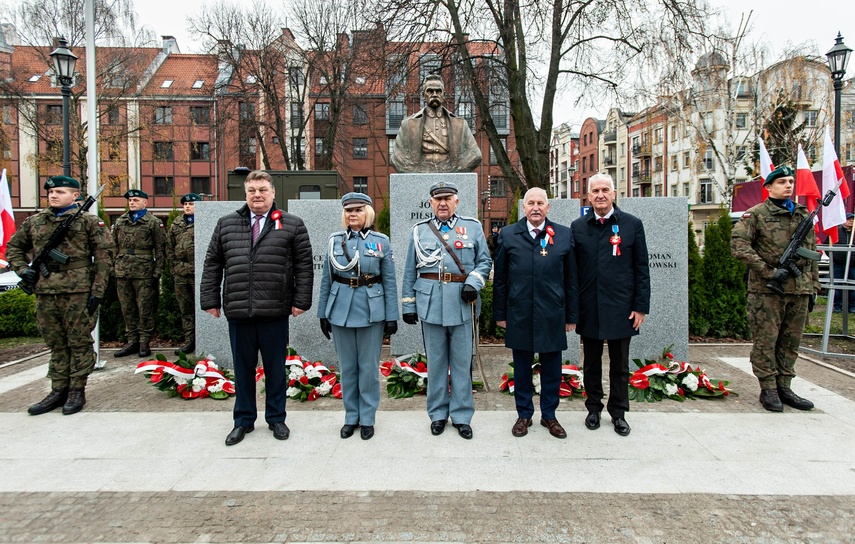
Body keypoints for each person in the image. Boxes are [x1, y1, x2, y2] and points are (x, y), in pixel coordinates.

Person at [200, 170, 313, 446]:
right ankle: (243, 421)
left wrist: (301, 301)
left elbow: (304, 266)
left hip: (274, 310)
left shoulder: (291, 224)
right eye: (251, 190)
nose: (257, 195)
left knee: (275, 369)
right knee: (242, 369)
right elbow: (213, 263)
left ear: (273, 193)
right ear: (245, 193)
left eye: (262, 189)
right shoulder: (226, 224)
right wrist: (210, 299)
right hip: (239, 310)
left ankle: (276, 418)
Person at [7, 175, 114, 415]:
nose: (54, 195)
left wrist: (97, 291)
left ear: (75, 196)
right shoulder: (35, 222)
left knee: (78, 341)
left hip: (78, 290)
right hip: (45, 291)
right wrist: (23, 270)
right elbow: (14, 247)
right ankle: (58, 389)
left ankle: (77, 389)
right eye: (51, 192)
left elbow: (105, 258)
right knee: (56, 342)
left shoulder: (88, 222)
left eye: (60, 192)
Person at [401, 181, 492, 439]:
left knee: (462, 364)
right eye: (437, 199)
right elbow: (410, 269)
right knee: (437, 363)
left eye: (448, 198)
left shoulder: (472, 228)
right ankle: (438, 414)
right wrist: (408, 304)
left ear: (456, 201)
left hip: (463, 303)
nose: (442, 203)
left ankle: (462, 416)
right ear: (431, 203)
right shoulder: (420, 231)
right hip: (430, 304)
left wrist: (474, 282)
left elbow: (485, 261)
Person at [493, 188, 578, 439]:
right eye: (531, 203)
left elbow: (572, 279)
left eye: (541, 203)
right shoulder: (508, 235)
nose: (536, 207)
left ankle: (549, 415)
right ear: (524, 207)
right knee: (521, 367)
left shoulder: (563, 235)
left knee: (552, 367)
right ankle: (524, 414)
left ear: (548, 208)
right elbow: (500, 279)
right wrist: (500, 314)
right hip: (519, 312)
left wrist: (571, 315)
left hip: (553, 312)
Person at [731, 165, 816, 412]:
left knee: (790, 342)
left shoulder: (803, 215)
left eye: (790, 181)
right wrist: (769, 271)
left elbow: (811, 256)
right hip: (767, 291)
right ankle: (768, 388)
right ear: (768, 187)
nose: (788, 185)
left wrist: (812, 287)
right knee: (766, 341)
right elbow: (739, 247)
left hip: (799, 290)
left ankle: (785, 386)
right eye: (781, 182)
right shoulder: (755, 215)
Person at [571, 173, 649, 437]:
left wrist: (641, 306)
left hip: (621, 306)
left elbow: (641, 268)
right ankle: (593, 408)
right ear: (589, 195)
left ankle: (619, 412)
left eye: (605, 189)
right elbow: (572, 272)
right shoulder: (578, 227)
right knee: (591, 363)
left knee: (620, 364)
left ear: (614, 193)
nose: (600, 195)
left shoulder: (632, 224)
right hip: (589, 306)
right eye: (595, 191)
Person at [318, 193, 398, 440]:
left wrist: (391, 315)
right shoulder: (334, 241)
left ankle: (368, 417)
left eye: (358, 210)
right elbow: (326, 280)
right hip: (340, 309)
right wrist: (323, 313)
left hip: (371, 311)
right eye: (349, 211)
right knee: (348, 367)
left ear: (368, 213)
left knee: (368, 368)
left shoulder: (380, 241)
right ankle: (351, 416)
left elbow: (389, 281)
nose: (353, 214)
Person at [390, 74, 482, 173]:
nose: (434, 94)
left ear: (443, 95)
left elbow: (475, 155)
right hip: (419, 170)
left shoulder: (460, 125)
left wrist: (458, 167)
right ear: (423, 95)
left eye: (438, 91)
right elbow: (396, 158)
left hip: (451, 170)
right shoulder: (408, 124)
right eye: (430, 91)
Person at [112, 189, 166, 358]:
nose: (132, 203)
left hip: (144, 271)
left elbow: (161, 249)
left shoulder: (153, 223)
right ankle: (132, 341)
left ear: (145, 202)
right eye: (130, 200)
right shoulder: (121, 222)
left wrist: (157, 271)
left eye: (136, 200)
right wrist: (114, 266)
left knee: (144, 308)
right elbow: (113, 245)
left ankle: (144, 341)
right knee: (127, 308)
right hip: (123, 270)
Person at [167, 193, 202, 355]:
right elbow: (169, 247)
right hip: (181, 272)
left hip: (198, 271)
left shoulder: (204, 221)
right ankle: (189, 340)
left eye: (191, 204)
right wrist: (173, 267)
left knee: (201, 308)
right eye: (186, 204)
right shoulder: (176, 224)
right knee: (185, 309)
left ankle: (203, 339)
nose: (188, 206)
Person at [831, 213, 855, 313]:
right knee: (836, 286)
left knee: (853, 287)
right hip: (838, 264)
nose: (851, 221)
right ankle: (837, 305)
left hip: (854, 265)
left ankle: (852, 306)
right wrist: (834, 257)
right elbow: (827, 245)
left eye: (853, 219)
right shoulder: (835, 231)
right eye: (849, 219)